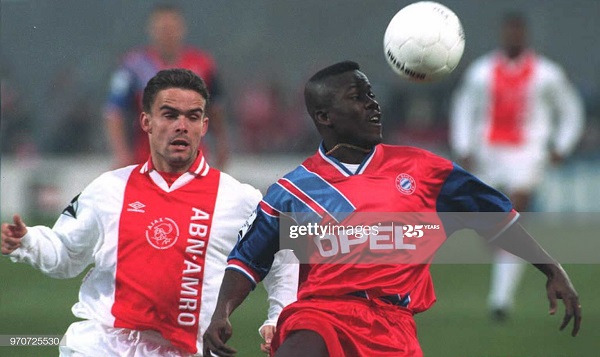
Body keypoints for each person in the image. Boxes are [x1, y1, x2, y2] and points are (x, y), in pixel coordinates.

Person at [202, 61, 581, 357]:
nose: (373, 105)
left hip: (392, 326)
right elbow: (248, 259)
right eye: (358, 97)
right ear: (324, 117)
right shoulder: (291, 190)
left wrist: (552, 268)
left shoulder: (424, 170)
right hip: (322, 314)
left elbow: (496, 218)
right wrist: (223, 312)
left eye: (371, 95)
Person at [1, 68, 297, 357]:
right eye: (170, 115)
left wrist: (279, 317)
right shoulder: (109, 188)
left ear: (204, 126)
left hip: (188, 349)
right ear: (147, 122)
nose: (182, 125)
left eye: (192, 117)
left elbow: (286, 256)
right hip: (103, 345)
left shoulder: (238, 198)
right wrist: (27, 242)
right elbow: (65, 253)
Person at [449, 12, 585, 321]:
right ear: (502, 34)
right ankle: (501, 278)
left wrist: (562, 145)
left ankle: (500, 300)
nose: (512, 37)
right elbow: (464, 107)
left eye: (517, 32)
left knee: (513, 217)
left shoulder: (547, 74)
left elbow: (570, 108)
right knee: (492, 227)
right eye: (508, 32)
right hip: (488, 154)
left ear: (525, 35)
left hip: (527, 153)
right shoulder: (482, 72)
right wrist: (464, 147)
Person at [105, 3, 230, 169]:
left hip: (194, 158)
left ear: (182, 29)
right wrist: (121, 153)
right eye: (162, 28)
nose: (167, 34)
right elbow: (114, 112)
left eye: (172, 28)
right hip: (146, 157)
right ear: (151, 30)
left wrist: (222, 145)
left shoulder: (203, 64)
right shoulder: (133, 66)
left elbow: (216, 109)